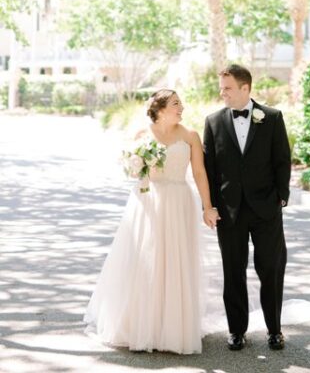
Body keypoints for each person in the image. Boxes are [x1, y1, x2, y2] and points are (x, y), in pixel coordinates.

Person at [84, 89, 220, 354]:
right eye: (175, 104)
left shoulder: (190, 135)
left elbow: (200, 172)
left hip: (179, 201)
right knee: (147, 261)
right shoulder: (142, 134)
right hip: (148, 201)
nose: (181, 108)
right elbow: (131, 166)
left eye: (181, 103)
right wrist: (137, 166)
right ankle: (141, 325)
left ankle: (173, 328)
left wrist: (207, 207)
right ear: (159, 108)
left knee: (176, 262)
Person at [203, 64, 291, 351]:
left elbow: (282, 160)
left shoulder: (273, 118)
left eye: (227, 87)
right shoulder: (213, 122)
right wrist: (212, 206)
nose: (222, 92)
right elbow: (211, 169)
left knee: (271, 269)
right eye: (221, 87)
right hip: (230, 212)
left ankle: (274, 330)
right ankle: (237, 331)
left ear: (245, 88)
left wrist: (281, 197)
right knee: (233, 271)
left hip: (266, 209)